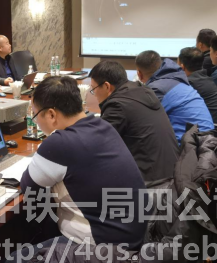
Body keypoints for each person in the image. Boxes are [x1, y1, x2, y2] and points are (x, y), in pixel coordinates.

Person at [17, 76, 147, 250]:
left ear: (51, 114)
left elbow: (28, 186)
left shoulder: (59, 143)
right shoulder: (103, 125)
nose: (37, 122)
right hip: (133, 235)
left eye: (35, 115)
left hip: (105, 250)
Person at [89, 60, 180, 183]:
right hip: (172, 172)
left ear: (106, 86)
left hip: (152, 182)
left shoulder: (118, 105)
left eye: (93, 89)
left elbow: (96, 144)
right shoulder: (142, 90)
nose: (94, 94)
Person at [136, 51, 214, 143]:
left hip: (192, 145)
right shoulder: (178, 79)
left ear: (139, 74)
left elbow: (141, 123)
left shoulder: (155, 90)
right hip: (209, 139)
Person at [178, 47, 217, 124]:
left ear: (182, 67)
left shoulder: (189, 84)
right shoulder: (205, 78)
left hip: (208, 128)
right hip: (216, 123)